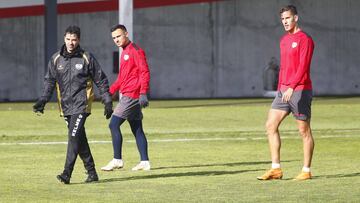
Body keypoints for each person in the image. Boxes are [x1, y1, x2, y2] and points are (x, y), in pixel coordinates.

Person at [33, 25, 113, 184]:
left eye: (74, 40)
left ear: (79, 40)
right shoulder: (56, 58)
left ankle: (66, 173)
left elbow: (100, 79)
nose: (71, 42)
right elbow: (49, 81)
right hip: (65, 107)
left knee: (73, 136)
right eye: (68, 39)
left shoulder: (87, 58)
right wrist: (43, 100)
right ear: (64, 39)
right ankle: (92, 173)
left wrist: (107, 100)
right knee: (79, 138)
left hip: (82, 105)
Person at [257, 5, 315, 181]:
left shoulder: (305, 39)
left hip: (300, 90)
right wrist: (281, 88)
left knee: (304, 131)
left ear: (296, 18)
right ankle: (276, 169)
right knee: (270, 126)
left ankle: (306, 170)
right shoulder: (283, 40)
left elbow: (303, 67)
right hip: (283, 91)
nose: (285, 22)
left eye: (288, 18)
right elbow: (284, 67)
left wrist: (292, 87)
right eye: (282, 19)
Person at [101, 24, 151, 172]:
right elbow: (122, 78)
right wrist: (110, 92)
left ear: (126, 34)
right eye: (114, 38)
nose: (116, 39)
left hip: (132, 95)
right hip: (130, 94)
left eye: (119, 36)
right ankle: (145, 162)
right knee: (137, 128)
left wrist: (143, 92)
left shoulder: (136, 51)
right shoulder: (124, 52)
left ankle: (117, 160)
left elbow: (145, 72)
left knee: (113, 125)